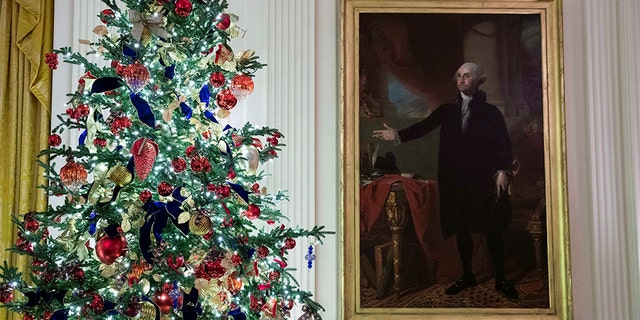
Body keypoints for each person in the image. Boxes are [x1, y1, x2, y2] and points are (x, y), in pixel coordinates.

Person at [372, 62, 518, 299]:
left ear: (479, 80)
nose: (461, 80)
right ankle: (467, 274)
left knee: (492, 230)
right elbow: (424, 126)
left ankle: (501, 278)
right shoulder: (448, 110)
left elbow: (503, 142)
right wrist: (397, 135)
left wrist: (502, 170)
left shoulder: (491, 112)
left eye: (467, 76)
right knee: (461, 230)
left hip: (483, 180)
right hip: (456, 182)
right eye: (459, 76)